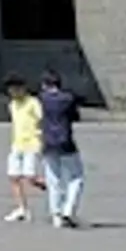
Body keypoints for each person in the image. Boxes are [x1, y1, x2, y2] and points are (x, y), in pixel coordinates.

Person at [35, 73, 88, 229]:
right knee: (76, 176)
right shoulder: (67, 98)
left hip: (48, 142)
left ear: (45, 85)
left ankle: (56, 214)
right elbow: (75, 114)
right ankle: (69, 210)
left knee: (53, 179)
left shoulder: (42, 99)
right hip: (65, 141)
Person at [1, 78, 45, 222]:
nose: (13, 92)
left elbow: (42, 120)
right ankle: (21, 209)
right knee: (14, 177)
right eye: (10, 90)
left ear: (23, 88)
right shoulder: (12, 105)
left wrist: (42, 137)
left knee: (30, 177)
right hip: (17, 144)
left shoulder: (33, 103)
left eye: (15, 89)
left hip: (32, 144)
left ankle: (53, 186)